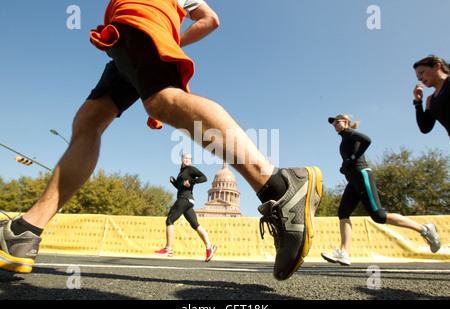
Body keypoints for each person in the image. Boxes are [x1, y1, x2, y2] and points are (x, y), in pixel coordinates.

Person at [0, 0, 323, 281]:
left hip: (140, 14)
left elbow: (210, 20)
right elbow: (210, 18)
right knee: (88, 122)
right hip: (126, 39)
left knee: (161, 100)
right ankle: (26, 231)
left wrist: (164, 39)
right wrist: (170, 40)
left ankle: (279, 186)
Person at [321, 114, 441, 266]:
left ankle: (424, 229)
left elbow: (367, 140)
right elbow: (351, 157)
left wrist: (352, 158)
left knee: (378, 215)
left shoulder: (348, 133)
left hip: (362, 175)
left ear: (346, 122)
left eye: (337, 122)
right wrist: (345, 167)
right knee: (343, 213)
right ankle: (344, 252)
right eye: (333, 123)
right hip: (353, 179)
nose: (335, 125)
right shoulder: (344, 138)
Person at [155, 153, 217, 261]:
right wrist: (174, 182)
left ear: (191, 161)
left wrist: (192, 181)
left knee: (169, 220)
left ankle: (168, 249)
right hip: (187, 200)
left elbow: (204, 178)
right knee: (195, 225)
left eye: (189, 158)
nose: (187, 159)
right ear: (182, 159)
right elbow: (180, 187)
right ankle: (209, 246)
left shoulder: (190, 169)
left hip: (184, 199)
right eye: (185, 158)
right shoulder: (181, 173)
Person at [413, 55, 450, 136]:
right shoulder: (431, 100)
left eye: (421, 72)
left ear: (437, 66)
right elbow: (425, 127)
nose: (419, 79)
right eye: (418, 77)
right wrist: (418, 102)